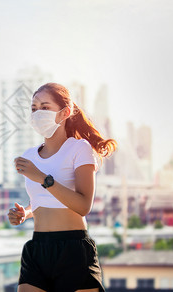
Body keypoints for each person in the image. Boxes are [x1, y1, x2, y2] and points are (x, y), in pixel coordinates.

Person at [10, 83, 117, 292]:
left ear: (65, 112)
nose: (37, 113)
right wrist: (27, 212)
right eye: (33, 108)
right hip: (37, 248)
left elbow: (83, 205)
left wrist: (41, 177)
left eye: (45, 107)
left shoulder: (79, 149)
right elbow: (42, 200)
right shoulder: (29, 155)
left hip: (73, 249)